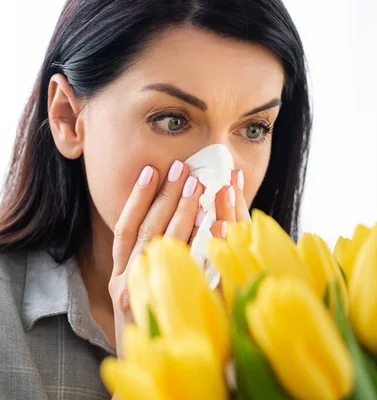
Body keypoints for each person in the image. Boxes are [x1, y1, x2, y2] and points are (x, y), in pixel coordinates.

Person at [0, 0, 311, 398]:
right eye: (172, 120)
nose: (217, 175)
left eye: (253, 128)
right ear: (67, 118)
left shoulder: (323, 326)